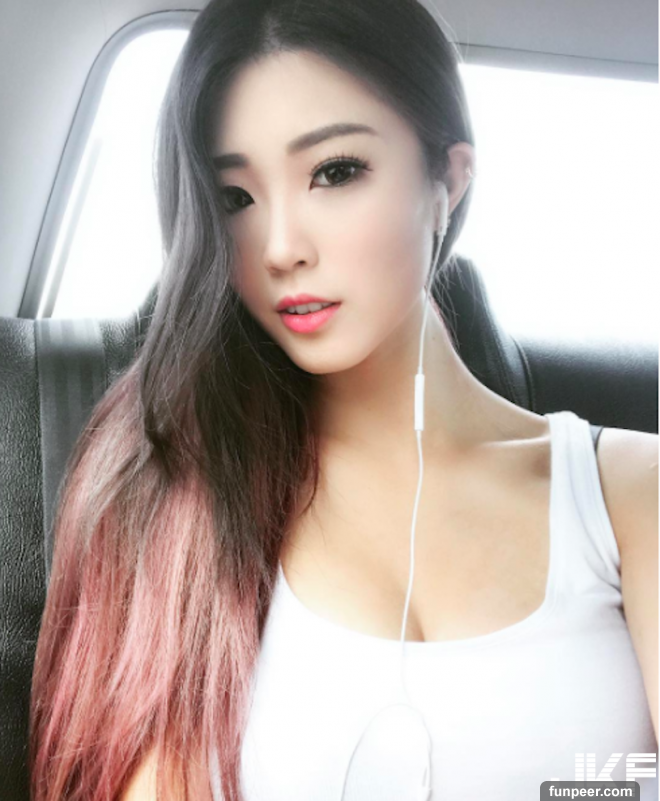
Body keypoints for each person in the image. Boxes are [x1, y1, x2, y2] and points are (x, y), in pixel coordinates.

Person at [29, 0, 658, 799]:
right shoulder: (170, 496)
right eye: (235, 197)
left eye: (334, 172)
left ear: (448, 179)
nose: (281, 247)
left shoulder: (628, 493)